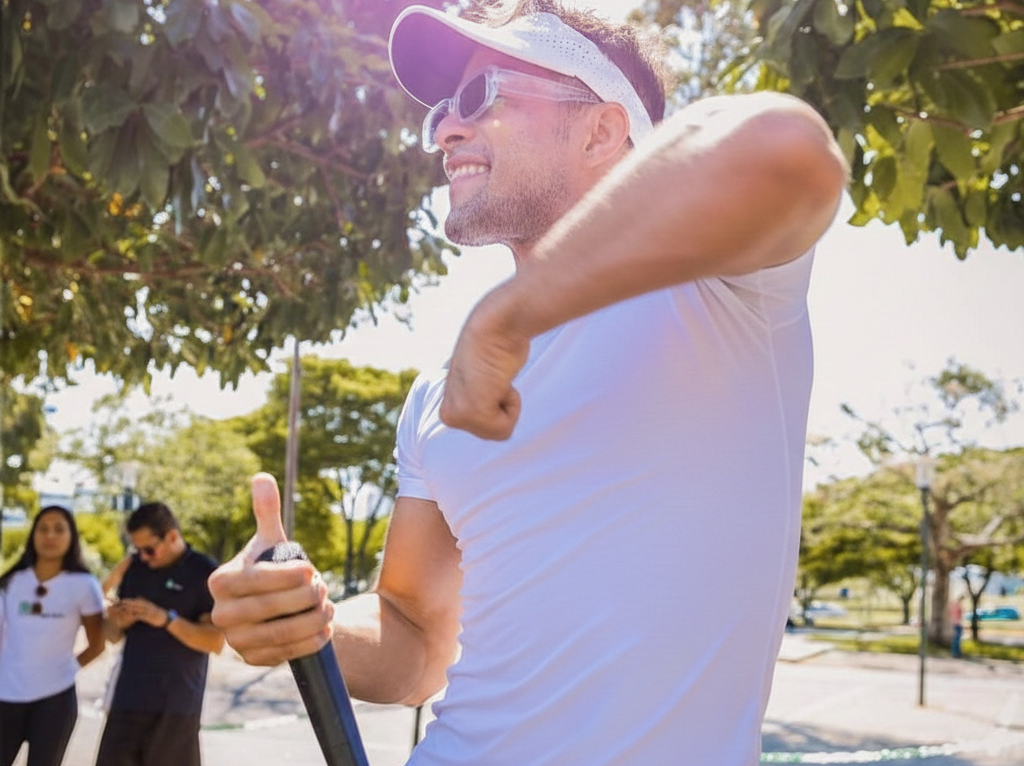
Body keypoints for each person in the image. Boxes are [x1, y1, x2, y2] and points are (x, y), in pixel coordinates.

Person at [209, 2, 848, 765]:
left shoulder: (727, 291)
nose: (446, 130)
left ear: (603, 131)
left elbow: (789, 148)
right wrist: (306, 624)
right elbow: (415, 641)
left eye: (481, 96)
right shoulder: (440, 395)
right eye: (443, 111)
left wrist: (508, 316)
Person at [95, 502, 224, 766]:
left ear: (173, 537)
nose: (143, 556)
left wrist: (165, 619)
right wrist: (118, 621)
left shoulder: (204, 571)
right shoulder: (136, 569)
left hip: (175, 709)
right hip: (126, 703)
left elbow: (215, 641)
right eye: (137, 549)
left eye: (149, 549)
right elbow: (112, 636)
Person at [0, 505, 105, 766]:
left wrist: (66, 669)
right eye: (43, 529)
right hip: (6, 697)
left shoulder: (84, 585)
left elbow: (97, 645)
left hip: (55, 701)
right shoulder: (11, 582)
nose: (50, 536)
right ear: (33, 535)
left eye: (59, 529)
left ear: (71, 537)